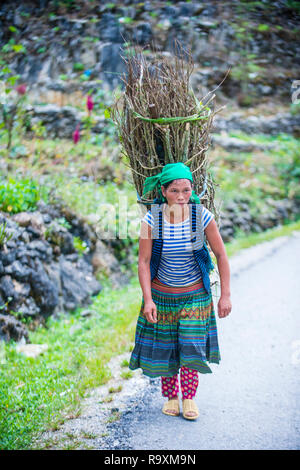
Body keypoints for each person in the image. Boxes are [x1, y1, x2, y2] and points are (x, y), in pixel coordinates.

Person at [129, 162, 232, 420]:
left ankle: (189, 398)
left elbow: (220, 254)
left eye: (186, 190)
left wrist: (226, 295)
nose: (182, 197)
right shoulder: (151, 219)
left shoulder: (201, 217)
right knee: (166, 348)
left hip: (195, 295)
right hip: (162, 295)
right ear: (163, 191)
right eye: (175, 191)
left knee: (190, 348)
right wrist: (148, 300)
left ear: (192, 189)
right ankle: (171, 397)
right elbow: (143, 262)